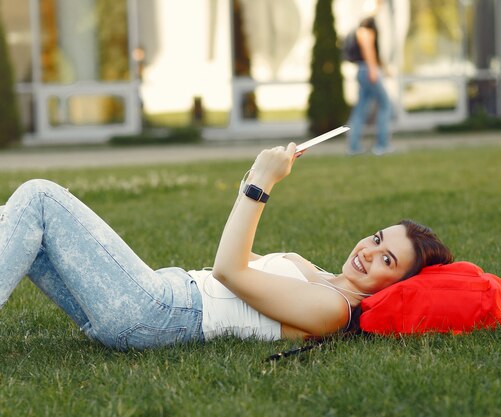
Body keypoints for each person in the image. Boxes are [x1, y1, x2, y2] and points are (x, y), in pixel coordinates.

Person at [0, 144, 452, 350]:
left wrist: (261, 184)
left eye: (387, 260)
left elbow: (228, 271)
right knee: (16, 220)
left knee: (39, 196)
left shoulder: (334, 310)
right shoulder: (317, 277)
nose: (369, 252)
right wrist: (253, 175)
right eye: (377, 239)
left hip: (159, 313)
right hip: (156, 295)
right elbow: (233, 250)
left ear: (396, 287)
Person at [346, 6, 393, 156]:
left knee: (361, 109)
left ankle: (354, 147)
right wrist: (374, 70)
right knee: (385, 105)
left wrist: (383, 67)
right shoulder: (366, 23)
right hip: (369, 70)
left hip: (363, 70)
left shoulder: (365, 21)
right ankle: (382, 145)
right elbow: (367, 45)